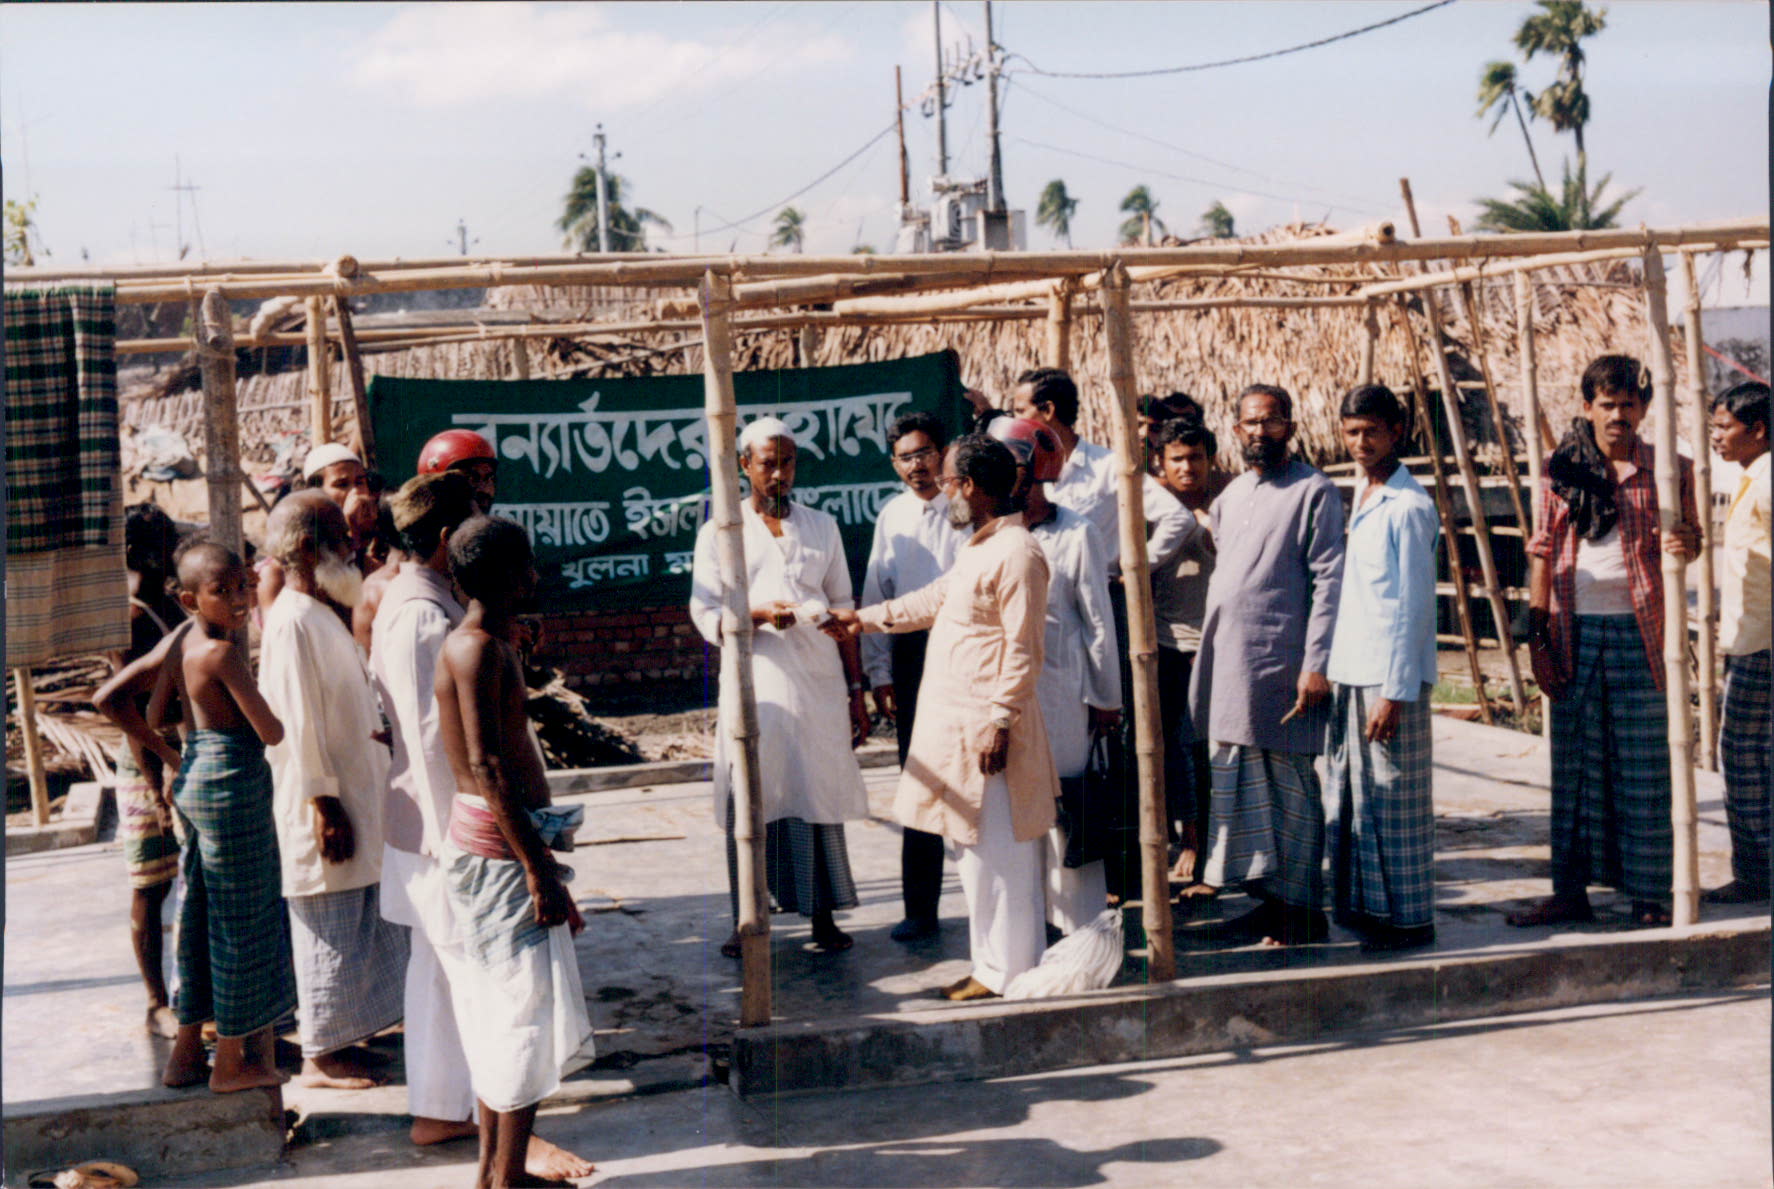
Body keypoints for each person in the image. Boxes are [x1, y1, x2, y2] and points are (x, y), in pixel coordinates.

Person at [826, 435, 1057, 1001]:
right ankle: (993, 966)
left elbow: (1024, 651)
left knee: (999, 858)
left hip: (989, 735)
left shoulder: (1018, 553)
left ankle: (1009, 972)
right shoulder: (980, 548)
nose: (943, 489)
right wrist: (860, 620)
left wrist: (1001, 723)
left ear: (972, 487)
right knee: (974, 858)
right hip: (960, 732)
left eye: (949, 481)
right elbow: (929, 601)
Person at [434, 516, 597, 1189]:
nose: (536, 574)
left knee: (502, 1012)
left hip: (498, 849)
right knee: (517, 1017)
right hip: (499, 856)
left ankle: (495, 1171)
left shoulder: (489, 645)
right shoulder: (476, 650)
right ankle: (504, 1176)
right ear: (507, 576)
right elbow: (487, 765)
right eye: (527, 564)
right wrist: (539, 869)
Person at [1513, 355, 1699, 930]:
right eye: (1607, 404)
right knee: (1573, 768)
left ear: (1644, 407)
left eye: (1629, 404)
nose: (1619, 415)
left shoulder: (1672, 469)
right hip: (1573, 631)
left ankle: (1649, 895)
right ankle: (1570, 893)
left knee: (1644, 769)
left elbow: (1688, 542)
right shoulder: (1562, 468)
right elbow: (1542, 549)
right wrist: (1538, 636)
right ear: (1588, 407)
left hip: (1645, 637)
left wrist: (1686, 542)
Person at [100, 541, 294, 1093]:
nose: (239, 599)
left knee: (203, 915)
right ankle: (231, 1061)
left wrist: (174, 760)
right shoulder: (222, 653)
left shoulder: (183, 639)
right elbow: (271, 732)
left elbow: (147, 709)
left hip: (197, 778)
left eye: (243, 586)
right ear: (190, 598)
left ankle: (186, 1056)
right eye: (223, 591)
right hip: (232, 779)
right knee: (244, 923)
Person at [690, 416, 871, 957]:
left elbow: (845, 608)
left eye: (787, 462)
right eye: (768, 463)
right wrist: (760, 614)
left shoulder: (821, 526)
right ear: (744, 466)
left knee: (816, 792)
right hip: (757, 682)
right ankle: (747, 920)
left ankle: (823, 918)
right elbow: (705, 610)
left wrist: (856, 689)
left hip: (817, 682)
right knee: (753, 795)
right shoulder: (720, 531)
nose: (779, 474)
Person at [259, 489, 408, 1089]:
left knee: (362, 925)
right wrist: (324, 805)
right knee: (332, 928)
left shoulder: (320, 612)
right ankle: (321, 1055)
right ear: (303, 548)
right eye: (339, 538)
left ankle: (345, 1040)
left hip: (355, 796)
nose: (352, 548)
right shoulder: (292, 621)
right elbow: (294, 728)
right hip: (327, 804)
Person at [1190, 384, 1346, 946]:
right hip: (1232, 665)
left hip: (1284, 664)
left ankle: (1302, 913)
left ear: (1290, 427)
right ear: (1236, 431)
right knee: (1242, 782)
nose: (1260, 431)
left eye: (1271, 421)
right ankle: (1268, 904)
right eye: (1251, 422)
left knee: (1292, 789)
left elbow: (1330, 579)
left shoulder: (1314, 490)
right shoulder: (1232, 495)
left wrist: (1316, 663)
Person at [992, 417, 1121, 935]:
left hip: (1064, 697)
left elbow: (1098, 623)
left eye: (1013, 466)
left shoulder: (1077, 532)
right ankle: (1027, 936)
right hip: (1005, 701)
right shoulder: (987, 537)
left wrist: (1106, 698)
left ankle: (1082, 936)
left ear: (1037, 470)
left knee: (1069, 818)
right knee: (1014, 822)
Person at [1324, 385, 1441, 953]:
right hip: (1352, 669)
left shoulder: (1410, 507)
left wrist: (1394, 692)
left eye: (1372, 431)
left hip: (1390, 679)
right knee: (1355, 796)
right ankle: (1370, 910)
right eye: (1352, 432)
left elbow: (1414, 609)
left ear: (1398, 431)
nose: (1361, 442)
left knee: (1394, 799)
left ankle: (1410, 920)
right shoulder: (1362, 491)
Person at [861, 410, 966, 942]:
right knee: (919, 780)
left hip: (966, 649)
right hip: (911, 656)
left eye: (926, 453)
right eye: (906, 457)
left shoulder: (968, 508)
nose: (918, 466)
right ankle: (920, 908)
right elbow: (877, 598)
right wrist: (878, 674)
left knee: (976, 777)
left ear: (942, 452)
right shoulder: (892, 517)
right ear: (895, 464)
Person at [99, 502, 187, 1036]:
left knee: (179, 881)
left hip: (176, 750)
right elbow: (126, 709)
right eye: (161, 545)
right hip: (149, 757)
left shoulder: (167, 605)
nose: (169, 554)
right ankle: (156, 998)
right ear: (135, 552)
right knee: (150, 885)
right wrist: (157, 783)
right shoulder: (131, 615)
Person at [1011, 368, 1195, 571]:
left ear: (1048, 410)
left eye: (1020, 411)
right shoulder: (1024, 471)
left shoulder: (1109, 467)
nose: (1015, 421)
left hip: (1101, 594)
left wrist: (1134, 570)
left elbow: (1178, 518)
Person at [1706, 380, 1771, 905]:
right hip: (1751, 637)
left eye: (1725, 427)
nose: (1716, 437)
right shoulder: (1754, 477)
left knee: (1743, 754)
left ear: (1758, 430)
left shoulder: (1768, 482)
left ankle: (1757, 871)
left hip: (1762, 642)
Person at [1149, 418, 1219, 889]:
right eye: (1177, 459)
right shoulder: (1151, 509)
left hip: (1213, 644)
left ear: (1210, 460)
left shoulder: (1227, 504)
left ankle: (1204, 843)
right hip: (1164, 644)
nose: (1187, 467)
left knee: (1205, 752)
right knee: (1171, 751)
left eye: (1195, 457)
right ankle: (1184, 839)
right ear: (1162, 464)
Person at [257, 443, 372, 615]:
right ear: (316, 491)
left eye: (360, 482)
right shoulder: (276, 573)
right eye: (342, 484)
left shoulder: (368, 547)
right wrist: (347, 528)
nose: (355, 492)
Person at [419, 427, 500, 514]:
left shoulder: (495, 527)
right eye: (471, 478)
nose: (486, 489)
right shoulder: (412, 527)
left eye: (490, 478)